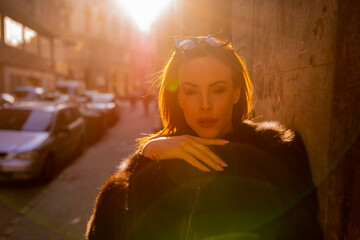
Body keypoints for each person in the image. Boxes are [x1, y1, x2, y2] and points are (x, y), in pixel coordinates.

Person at [86, 35, 323, 240]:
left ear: (236, 93)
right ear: (179, 98)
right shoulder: (146, 166)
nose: (205, 105)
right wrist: (148, 154)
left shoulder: (276, 153)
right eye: (191, 91)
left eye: (217, 89)